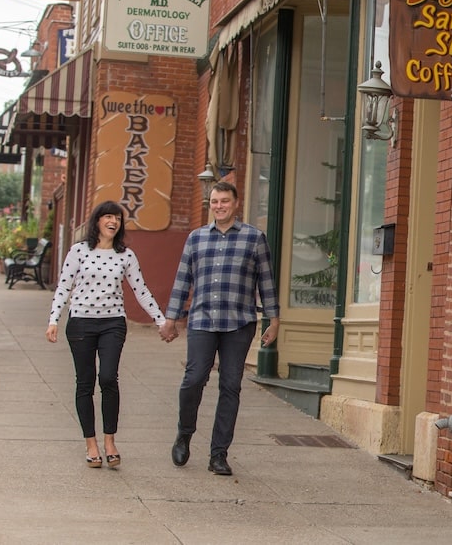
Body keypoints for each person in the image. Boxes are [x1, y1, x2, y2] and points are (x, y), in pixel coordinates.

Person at [159, 181, 280, 476]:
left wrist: (273, 320)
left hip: (239, 323)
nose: (219, 206)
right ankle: (184, 433)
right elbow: (182, 280)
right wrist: (171, 318)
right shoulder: (196, 239)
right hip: (202, 320)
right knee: (194, 378)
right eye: (214, 201)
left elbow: (266, 281)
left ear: (235, 204)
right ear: (210, 204)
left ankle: (218, 454)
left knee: (230, 386)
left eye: (224, 201)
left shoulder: (254, 238)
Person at [45, 201, 166, 468]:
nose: (113, 222)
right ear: (97, 221)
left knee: (109, 377)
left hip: (112, 323)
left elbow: (141, 290)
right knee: (85, 383)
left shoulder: (126, 255)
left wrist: (161, 320)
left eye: (118, 219)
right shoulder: (78, 251)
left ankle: (110, 440)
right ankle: (91, 444)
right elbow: (64, 287)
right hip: (80, 324)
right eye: (108, 216)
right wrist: (54, 319)